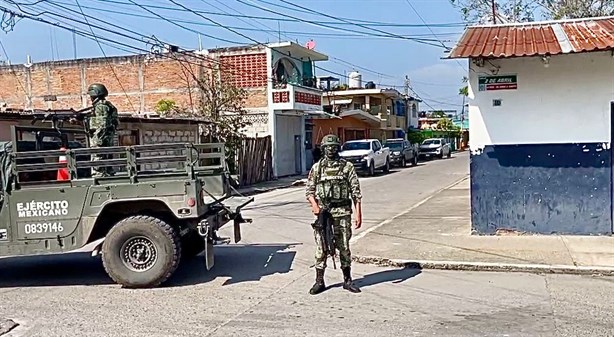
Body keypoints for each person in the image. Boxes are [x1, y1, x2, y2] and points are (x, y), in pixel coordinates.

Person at [305, 134, 363, 295]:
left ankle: (347, 280)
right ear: (323, 149)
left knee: (344, 246)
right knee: (322, 247)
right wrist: (315, 205)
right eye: (328, 147)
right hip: (324, 214)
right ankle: (319, 281)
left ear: (338, 148)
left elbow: (356, 192)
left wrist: (359, 214)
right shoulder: (317, 168)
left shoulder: (347, 167)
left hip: (343, 212)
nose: (331, 150)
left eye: (334, 147)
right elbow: (309, 190)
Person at [86, 83, 119, 177]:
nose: (90, 98)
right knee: (106, 161)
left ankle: (100, 176)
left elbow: (102, 124)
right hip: (107, 139)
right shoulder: (107, 105)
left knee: (98, 164)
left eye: (91, 95)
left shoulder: (100, 107)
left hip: (101, 140)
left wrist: (97, 140)